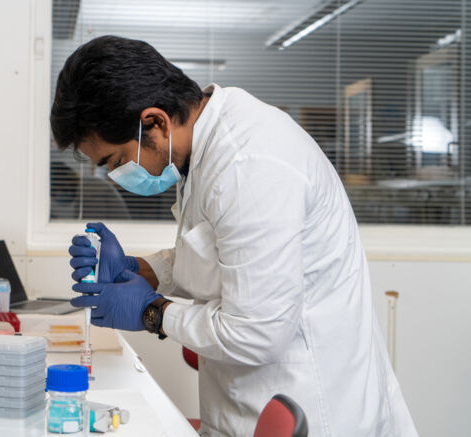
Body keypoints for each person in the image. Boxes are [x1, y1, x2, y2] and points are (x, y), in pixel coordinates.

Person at [51, 35, 417, 436]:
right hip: (248, 399)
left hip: (313, 404)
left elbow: (257, 333)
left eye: (116, 161)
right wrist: (141, 270)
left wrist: (150, 311)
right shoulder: (202, 145)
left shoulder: (249, 164)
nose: (116, 176)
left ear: (154, 122)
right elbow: (227, 253)